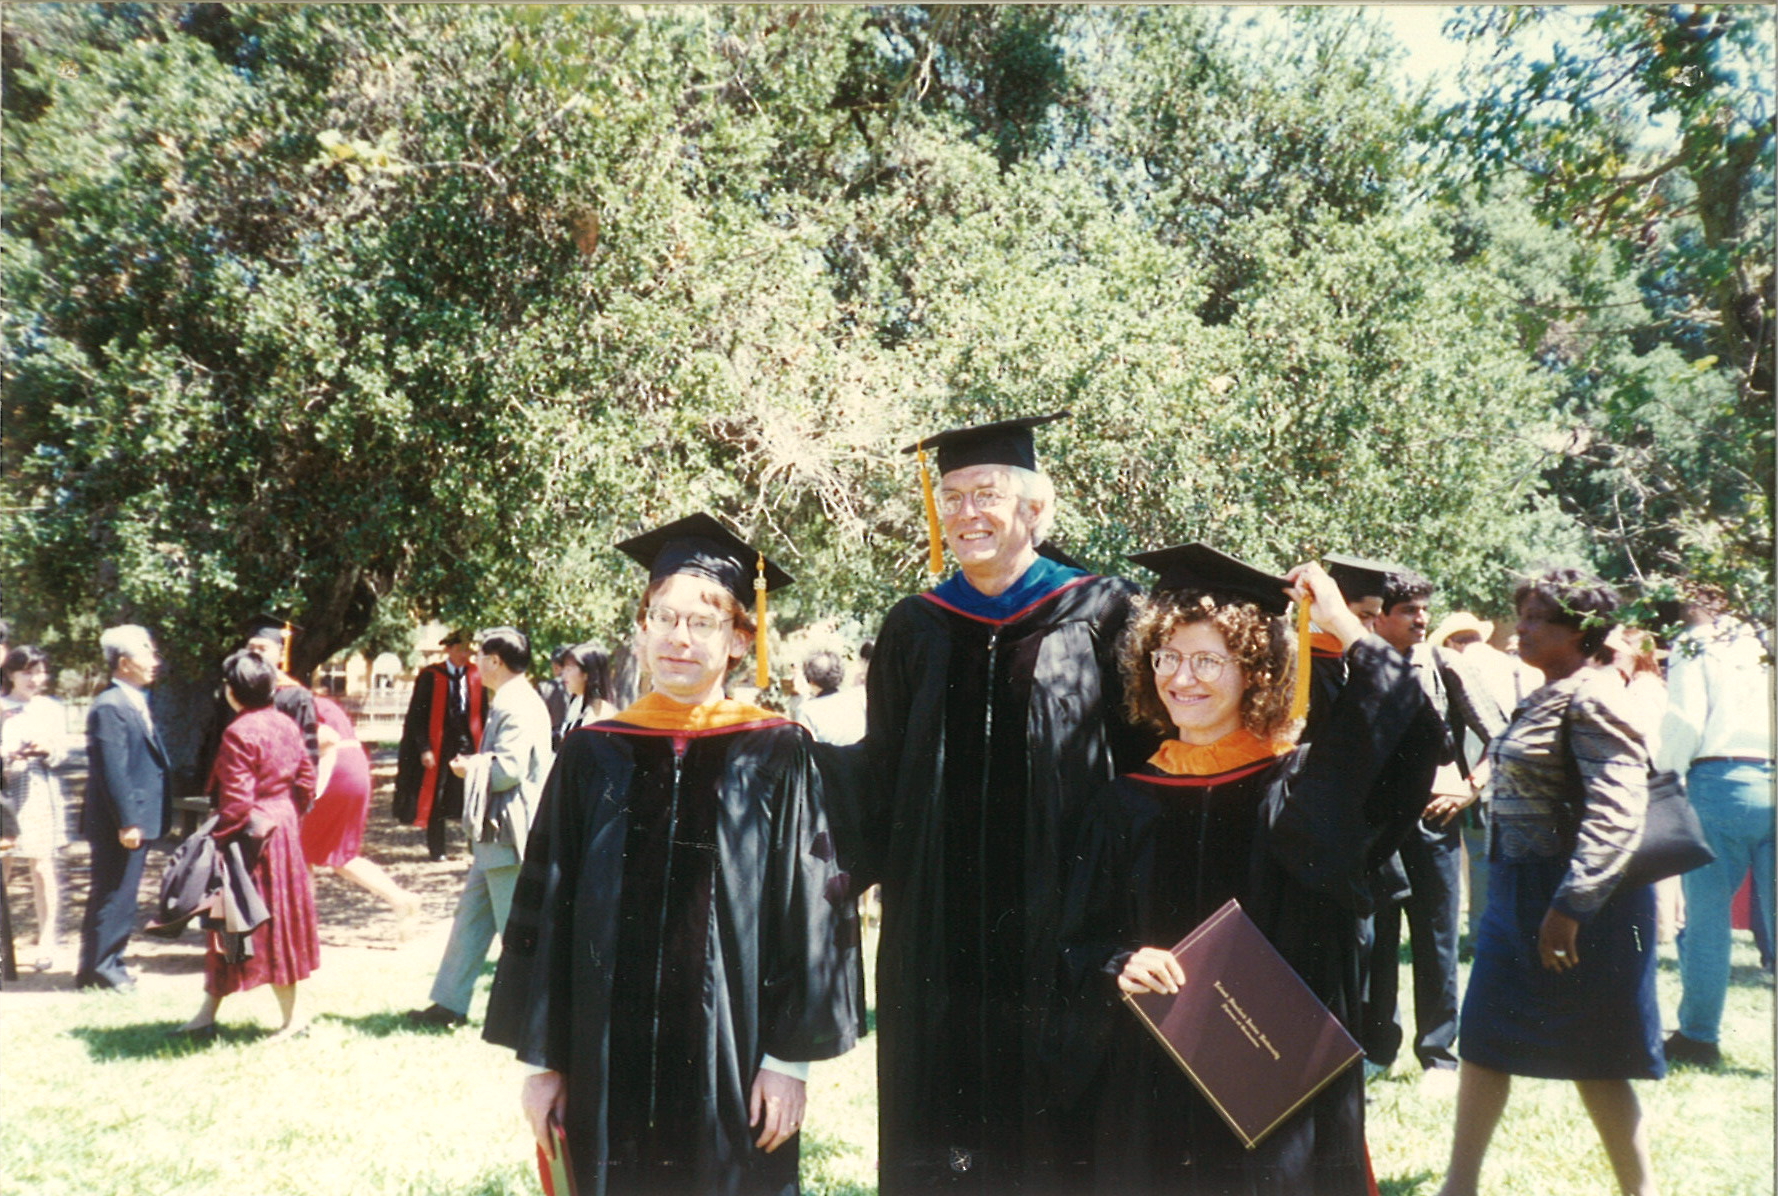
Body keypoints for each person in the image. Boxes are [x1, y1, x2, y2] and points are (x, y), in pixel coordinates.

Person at [483, 513, 859, 1196]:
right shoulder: (593, 753)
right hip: (601, 1065)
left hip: (739, 1063)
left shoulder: (777, 751)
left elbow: (813, 907)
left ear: (741, 640)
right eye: (663, 617)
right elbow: (547, 913)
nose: (678, 638)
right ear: (642, 627)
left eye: (704, 622)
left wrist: (790, 1061)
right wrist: (543, 1063)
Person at [1068, 546, 1439, 1195]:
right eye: (1168, 657)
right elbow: (1074, 939)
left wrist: (1345, 628)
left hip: (1278, 1091)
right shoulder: (1123, 802)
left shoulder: (1301, 791)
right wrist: (1116, 963)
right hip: (1152, 1090)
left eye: (1209, 659)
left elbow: (1409, 729)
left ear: (1257, 672)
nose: (1182, 678)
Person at [844, 411, 1152, 1193]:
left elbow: (1149, 765)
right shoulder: (916, 626)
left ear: (1036, 509)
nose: (966, 514)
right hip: (935, 935)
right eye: (952, 498)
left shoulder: (1107, 611)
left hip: (1068, 925)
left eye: (985, 493)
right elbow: (880, 777)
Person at [1436, 569, 1662, 1196]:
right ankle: (1459, 1186)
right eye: (1523, 614)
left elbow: (1619, 812)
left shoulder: (1595, 697)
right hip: (1519, 893)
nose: (1522, 629)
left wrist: (1570, 907)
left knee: (1599, 1060)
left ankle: (1639, 1189)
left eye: (1539, 619)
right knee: (1483, 1040)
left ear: (1580, 634)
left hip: (1581, 905)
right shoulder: (1546, 692)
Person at [407, 627, 553, 1029]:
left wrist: (468, 766)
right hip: (495, 835)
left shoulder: (516, 703)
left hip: (507, 832)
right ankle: (448, 1005)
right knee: (469, 921)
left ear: (496, 661)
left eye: (481, 657)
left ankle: (533, 1017)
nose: (476, 663)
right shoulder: (514, 698)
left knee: (517, 929)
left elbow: (508, 770)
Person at [174, 649, 319, 1041]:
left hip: (250, 840)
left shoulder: (239, 732)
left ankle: (293, 1020)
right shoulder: (286, 724)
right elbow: (306, 780)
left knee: (246, 924)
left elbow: (236, 802)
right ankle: (208, 1014)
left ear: (232, 692)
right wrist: (287, 816)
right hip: (282, 830)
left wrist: (214, 841)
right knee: (258, 924)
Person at [1657, 589, 1774, 1068]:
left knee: (1707, 921)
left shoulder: (1696, 643)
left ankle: (1699, 1035)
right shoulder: (1763, 641)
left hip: (1721, 779)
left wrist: (1665, 772)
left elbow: (1685, 718)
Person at [76, 625, 171, 993]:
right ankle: (104, 970)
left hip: (135, 817)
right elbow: (111, 769)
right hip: (122, 821)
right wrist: (128, 820)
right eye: (147, 655)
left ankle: (98, 966)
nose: (154, 663)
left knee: (119, 893)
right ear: (124, 662)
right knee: (114, 893)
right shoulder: (110, 706)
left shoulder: (134, 700)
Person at [300, 688, 422, 933]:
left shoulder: (289, 703)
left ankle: (302, 927)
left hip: (334, 770)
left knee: (300, 850)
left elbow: (326, 737)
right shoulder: (318, 701)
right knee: (341, 854)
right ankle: (400, 899)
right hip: (353, 769)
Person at [3, 646, 70, 972]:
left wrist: (46, 750)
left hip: (39, 790)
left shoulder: (51, 709)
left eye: (40, 671)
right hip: (5, 793)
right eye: (27, 671)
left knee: (43, 866)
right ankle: (5, 942)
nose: (35, 679)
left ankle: (47, 941)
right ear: (11, 673)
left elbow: (61, 752)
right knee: (4, 866)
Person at [394, 628, 488, 860]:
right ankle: (438, 850)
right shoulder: (430, 675)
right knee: (438, 795)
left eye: (468, 649)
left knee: (473, 792)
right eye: (460, 649)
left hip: (468, 742)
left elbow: (483, 712)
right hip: (440, 743)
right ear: (448, 649)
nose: (465, 654)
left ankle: (474, 846)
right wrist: (424, 748)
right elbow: (417, 716)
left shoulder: (476, 675)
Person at [553, 640, 615, 749]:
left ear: (587, 674)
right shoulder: (576, 702)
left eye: (569, 669)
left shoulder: (600, 714)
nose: (563, 675)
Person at [798, 649, 865, 746]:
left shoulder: (805, 711)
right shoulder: (859, 697)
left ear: (810, 679)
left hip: (831, 760)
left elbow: (807, 753)